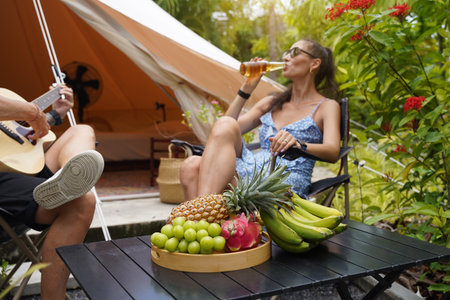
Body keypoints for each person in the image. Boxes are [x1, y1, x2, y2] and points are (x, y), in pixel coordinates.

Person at [180, 39, 341, 200]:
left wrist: (299, 144)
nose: (286, 58)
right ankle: (205, 213)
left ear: (314, 64)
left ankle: (201, 213)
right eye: (286, 53)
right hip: (251, 167)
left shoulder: (326, 106)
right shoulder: (271, 103)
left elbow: (333, 152)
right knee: (191, 164)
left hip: (284, 178)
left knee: (195, 165)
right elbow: (222, 131)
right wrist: (246, 88)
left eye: (294, 53)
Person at [0, 85, 104, 300]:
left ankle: (68, 178)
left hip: (21, 170)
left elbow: (23, 134)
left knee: (81, 130)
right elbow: (29, 114)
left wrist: (56, 114)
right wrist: (32, 112)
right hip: (5, 186)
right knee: (82, 202)